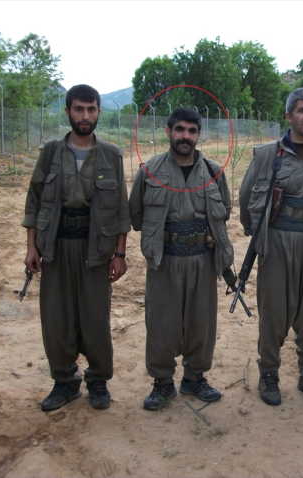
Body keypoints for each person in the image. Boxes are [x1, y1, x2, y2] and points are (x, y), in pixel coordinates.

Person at [22, 84, 130, 411]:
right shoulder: (51, 152)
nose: (85, 116)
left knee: (95, 320)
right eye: (79, 109)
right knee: (56, 320)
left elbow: (122, 211)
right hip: (55, 247)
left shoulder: (111, 155)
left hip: (95, 250)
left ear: (99, 112)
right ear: (68, 111)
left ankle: (98, 381)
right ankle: (65, 382)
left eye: (91, 109)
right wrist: (31, 248)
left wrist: (120, 254)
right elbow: (34, 201)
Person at [239, 87, 303, 406]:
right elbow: (245, 198)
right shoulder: (269, 154)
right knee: (274, 311)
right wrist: (255, 235)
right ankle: (268, 373)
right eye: (302, 110)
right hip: (278, 241)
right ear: (289, 116)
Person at [129, 107, 234, 411]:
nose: (185, 136)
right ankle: (162, 384)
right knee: (162, 323)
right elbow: (135, 213)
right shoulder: (149, 169)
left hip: (203, 259)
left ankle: (194, 378)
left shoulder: (214, 171)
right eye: (179, 130)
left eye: (191, 130)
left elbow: (224, 210)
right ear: (168, 131)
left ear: (198, 135)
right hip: (165, 260)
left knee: (201, 323)